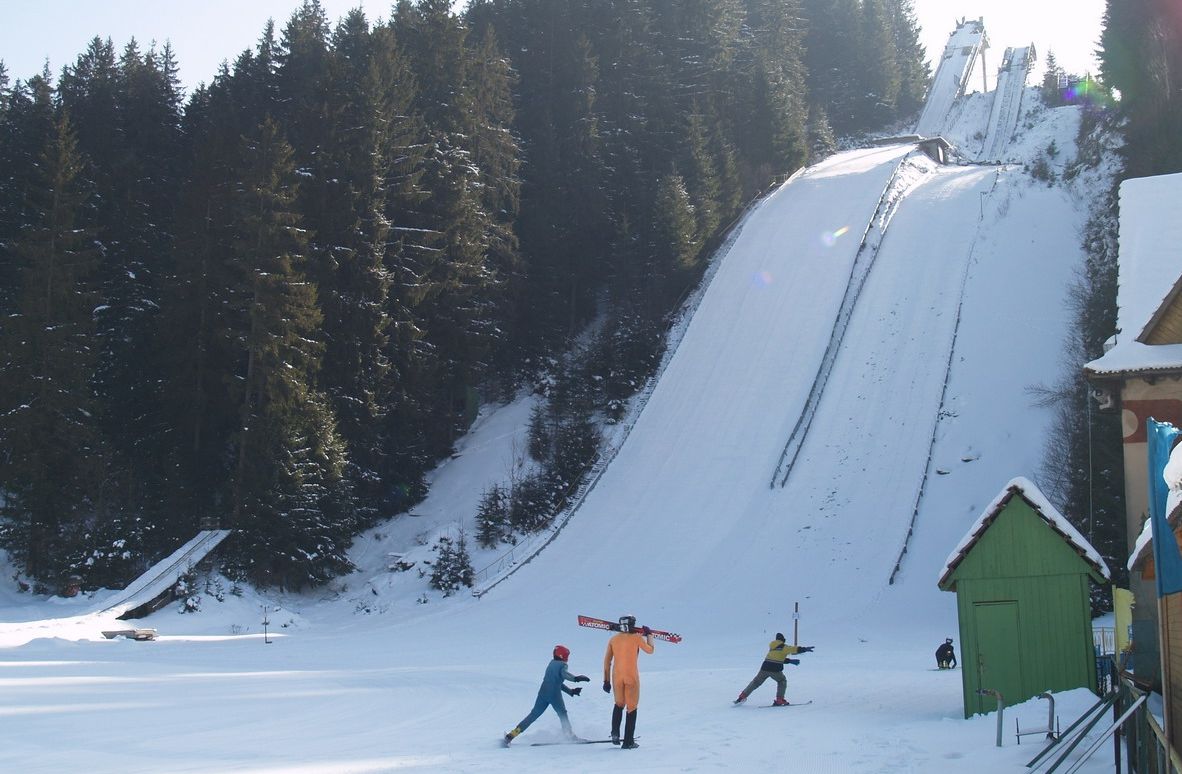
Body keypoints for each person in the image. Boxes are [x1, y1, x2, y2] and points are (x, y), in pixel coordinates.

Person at [503, 645, 591, 746]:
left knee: (533, 715)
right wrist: (576, 678)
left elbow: (557, 681)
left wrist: (570, 691)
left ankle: (511, 735)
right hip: (554, 694)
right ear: (563, 656)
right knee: (562, 714)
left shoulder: (551, 663)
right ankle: (569, 736)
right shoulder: (562, 665)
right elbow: (564, 675)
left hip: (543, 692)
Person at [603, 614, 654, 749]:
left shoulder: (613, 640)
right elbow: (650, 650)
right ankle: (628, 741)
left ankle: (615, 732)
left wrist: (606, 680)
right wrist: (649, 635)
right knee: (631, 708)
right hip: (631, 676)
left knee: (619, 704)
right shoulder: (636, 638)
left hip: (616, 677)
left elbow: (607, 661)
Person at [734, 632, 814, 706]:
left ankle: (742, 697)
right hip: (775, 669)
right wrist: (805, 649)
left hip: (764, 668)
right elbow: (794, 649)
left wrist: (790, 661)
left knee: (756, 682)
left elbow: (777, 658)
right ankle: (780, 699)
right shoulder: (784, 647)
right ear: (783, 640)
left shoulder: (772, 648)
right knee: (782, 680)